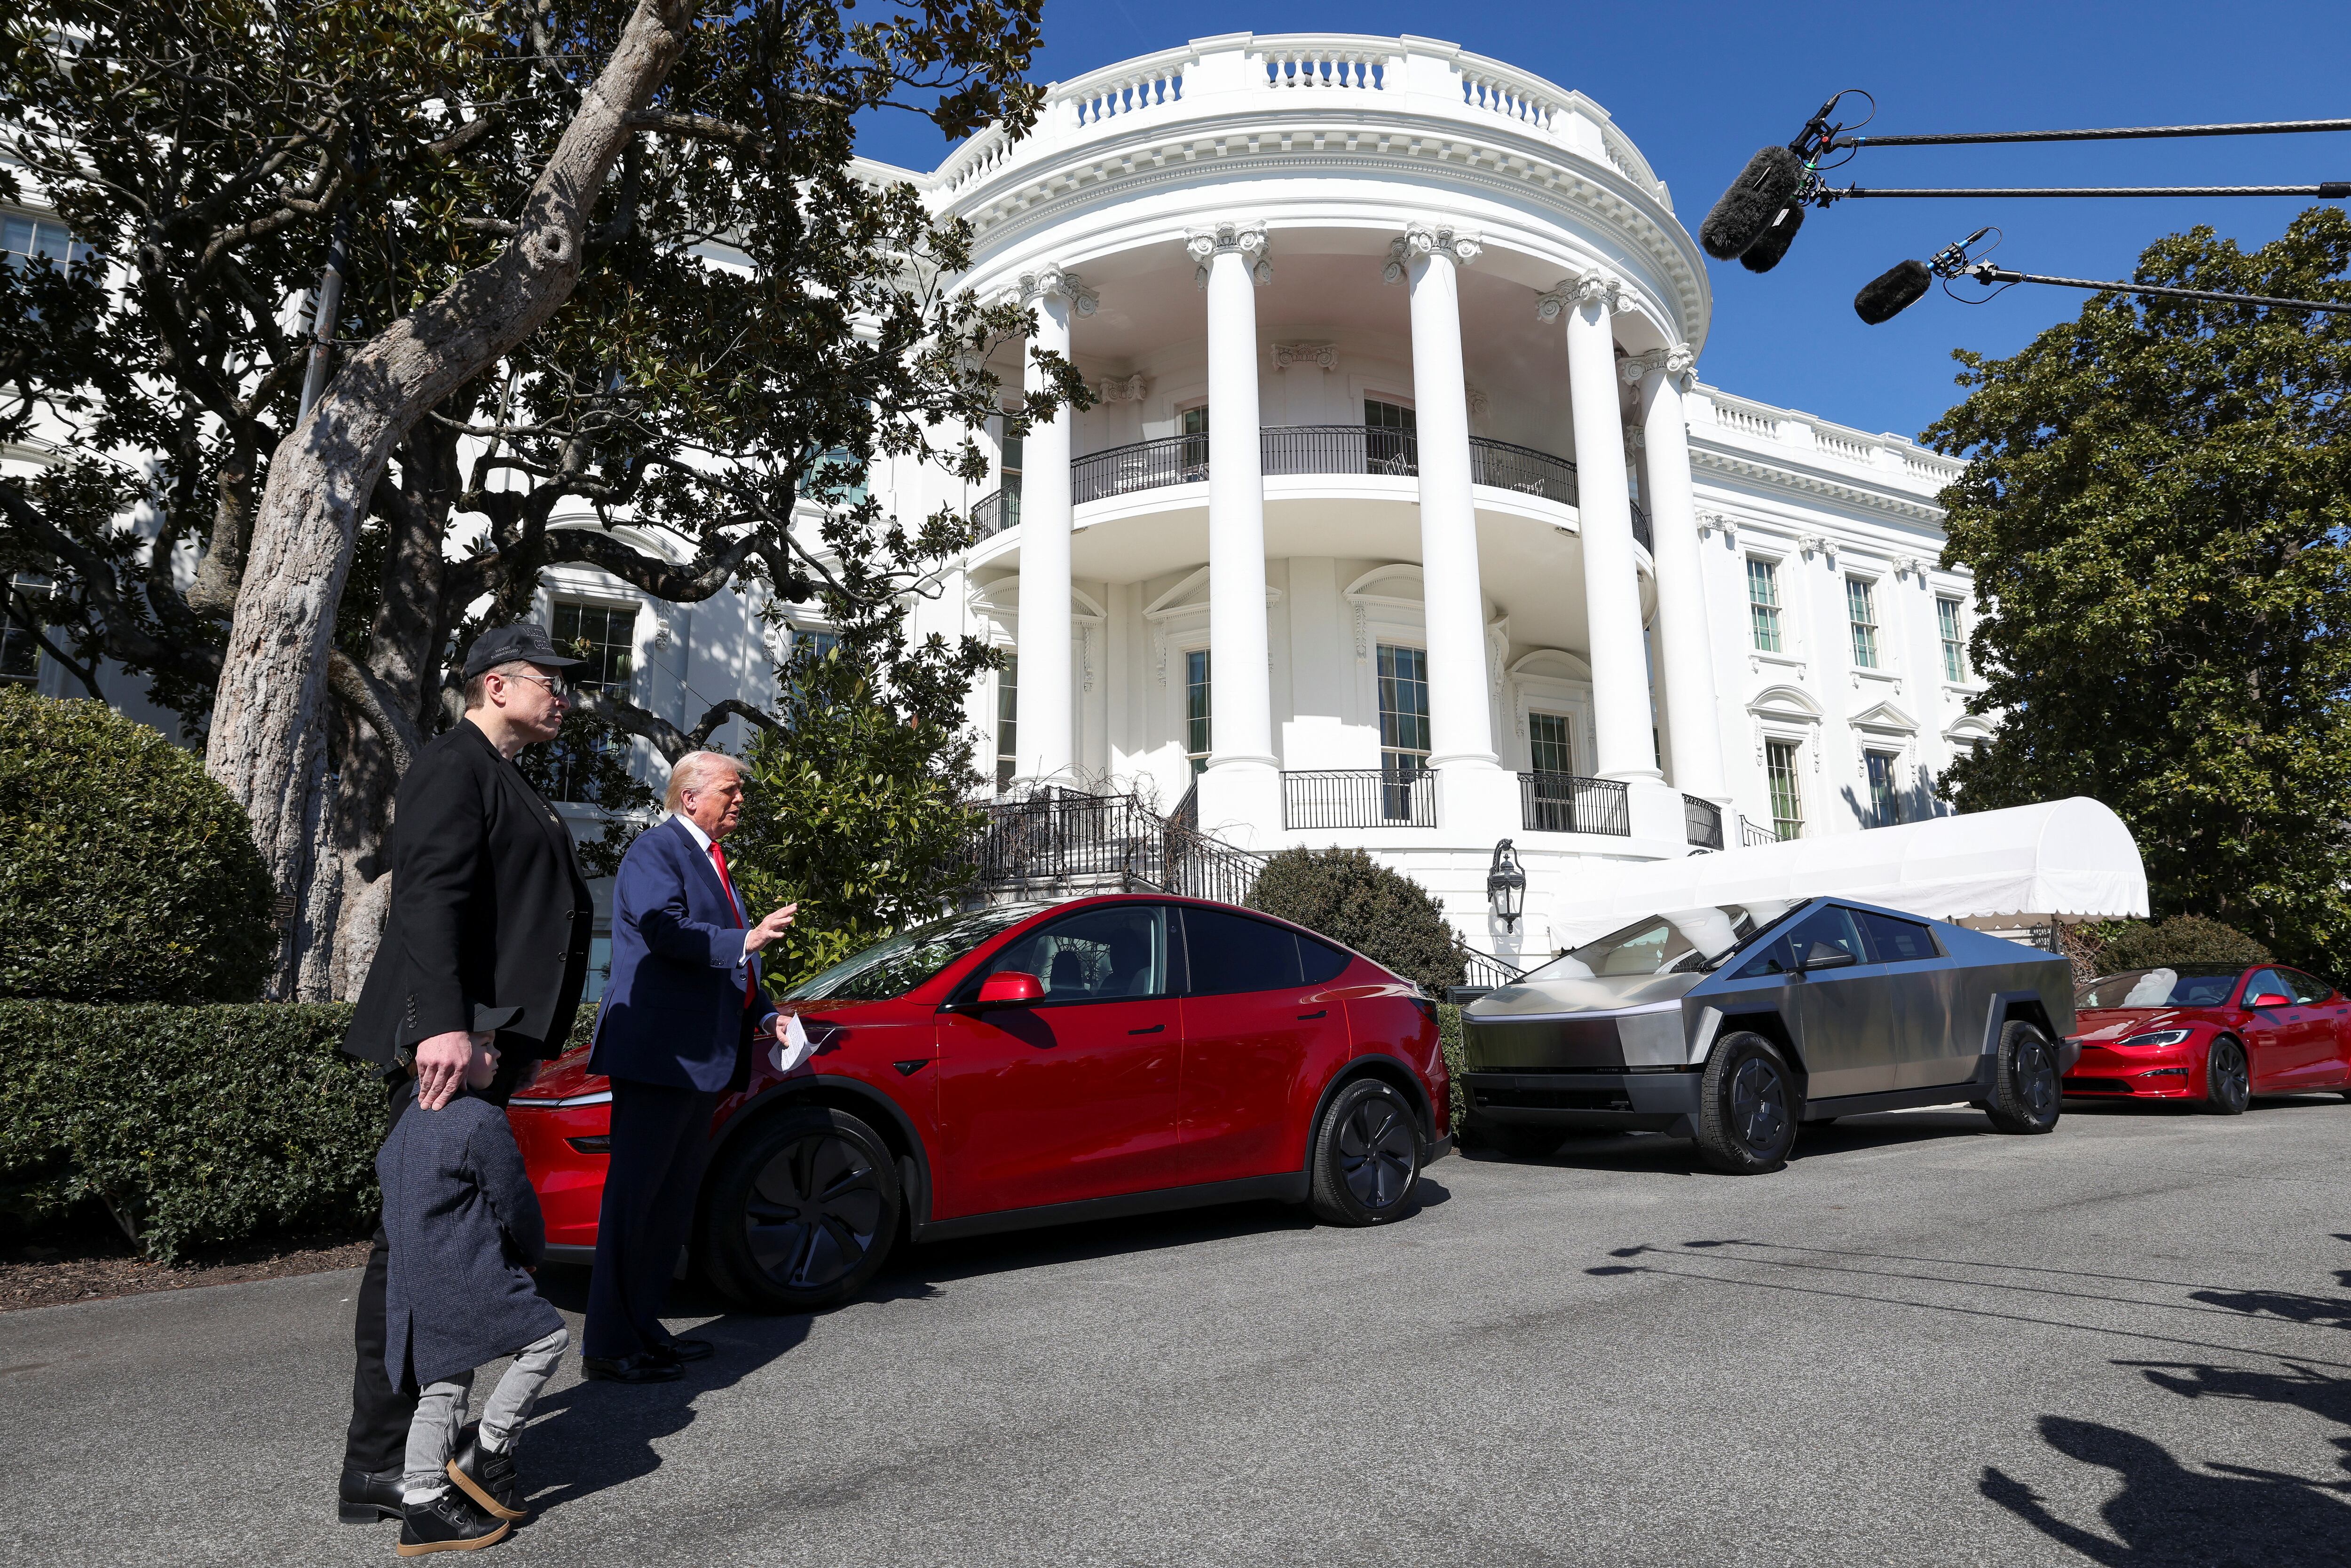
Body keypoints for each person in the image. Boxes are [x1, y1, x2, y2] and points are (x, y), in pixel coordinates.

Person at [338, 623, 595, 1526]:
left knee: (428, 1246)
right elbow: (429, 898)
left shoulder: (503, 776)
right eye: (549, 680)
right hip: (455, 1044)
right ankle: (383, 1464)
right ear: (494, 685)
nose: (564, 694)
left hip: (485, 1042)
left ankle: (398, 1454)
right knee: (414, 1251)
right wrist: (444, 1024)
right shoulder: (454, 764)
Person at [581, 750, 795, 1383]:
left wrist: (766, 1015)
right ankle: (609, 1344)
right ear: (691, 794)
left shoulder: (715, 862)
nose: (740, 800)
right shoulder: (658, 849)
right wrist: (746, 939)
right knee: (635, 1201)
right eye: (731, 789)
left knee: (670, 1204)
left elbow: (731, 961)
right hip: (659, 1055)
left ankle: (645, 1329)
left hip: (699, 1058)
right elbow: (665, 931)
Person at [378, 1037, 570, 1555]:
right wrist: (530, 1250)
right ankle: (489, 1450)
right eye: (485, 1044)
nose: (497, 1054)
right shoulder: (479, 1120)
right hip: (462, 1272)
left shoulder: (407, 1121)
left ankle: (421, 1502)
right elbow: (514, 1200)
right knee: (548, 1337)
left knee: (444, 1383)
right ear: (451, 1059)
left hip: (412, 1284)